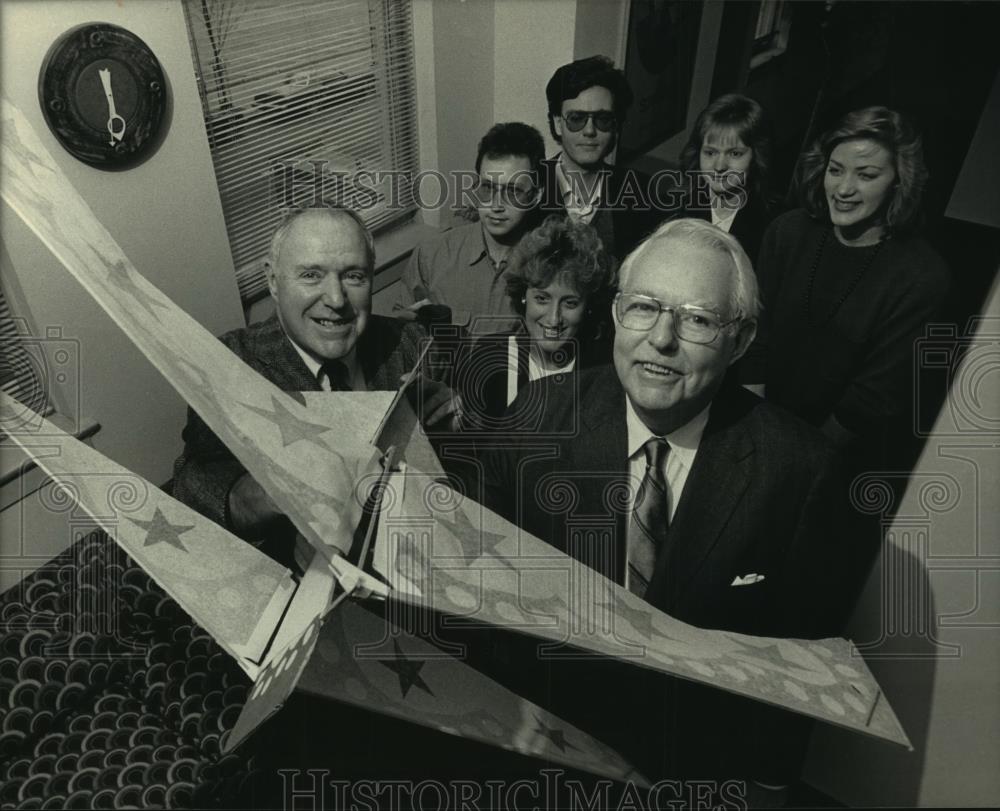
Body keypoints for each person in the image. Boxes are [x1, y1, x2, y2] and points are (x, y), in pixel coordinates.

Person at [480, 219, 857, 796]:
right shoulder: (535, 420)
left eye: (698, 319)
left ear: (743, 339)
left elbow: (794, 667)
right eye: (645, 307)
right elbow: (484, 601)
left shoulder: (800, 470)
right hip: (541, 757)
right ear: (615, 315)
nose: (662, 339)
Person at [173, 206, 453, 570]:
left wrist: (450, 430)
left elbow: (449, 483)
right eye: (311, 275)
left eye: (353, 276)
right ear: (273, 281)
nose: (336, 300)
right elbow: (192, 489)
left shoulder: (411, 343)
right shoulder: (228, 366)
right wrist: (259, 497)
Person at [739, 106, 951, 464]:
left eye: (866, 175)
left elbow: (872, 400)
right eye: (835, 171)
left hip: (831, 453)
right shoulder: (786, 232)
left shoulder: (923, 277)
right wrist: (756, 434)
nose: (844, 189)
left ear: (899, 181)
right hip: (755, 421)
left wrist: (797, 462)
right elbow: (755, 337)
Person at [453, 215, 613, 432]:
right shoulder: (489, 356)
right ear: (523, 296)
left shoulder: (605, 369)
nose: (554, 318)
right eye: (542, 299)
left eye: (570, 303)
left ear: (588, 306)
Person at [395, 122, 545, 334]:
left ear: (536, 195)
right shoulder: (431, 256)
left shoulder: (551, 265)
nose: (496, 205)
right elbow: (397, 335)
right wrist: (405, 324)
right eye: (487, 188)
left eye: (513, 191)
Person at [540, 55, 662, 263]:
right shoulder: (527, 183)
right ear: (558, 123)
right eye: (577, 119)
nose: (589, 131)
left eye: (603, 120)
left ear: (616, 126)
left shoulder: (643, 191)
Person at [675, 93, 775, 264]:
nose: (720, 166)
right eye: (710, 152)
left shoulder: (774, 225)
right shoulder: (674, 210)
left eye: (735, 154)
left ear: (756, 156)